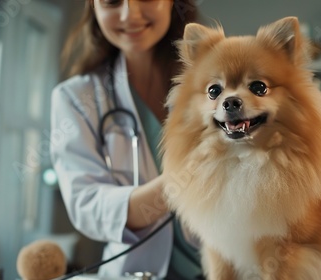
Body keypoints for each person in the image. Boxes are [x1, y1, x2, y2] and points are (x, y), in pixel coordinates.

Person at [49, 0, 201, 278]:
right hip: (136, 272)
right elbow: (88, 204)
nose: (130, 14)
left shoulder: (212, 83)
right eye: (111, 1)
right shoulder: (76, 98)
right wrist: (186, 180)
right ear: (92, 7)